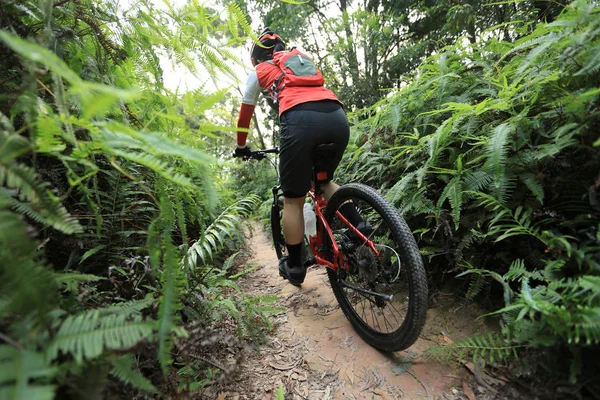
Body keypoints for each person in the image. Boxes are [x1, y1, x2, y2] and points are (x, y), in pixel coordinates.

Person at [234, 28, 368, 286]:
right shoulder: (301, 62)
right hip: (336, 117)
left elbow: (244, 116)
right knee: (324, 181)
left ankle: (295, 266)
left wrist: (241, 147)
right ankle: (360, 225)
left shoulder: (260, 71)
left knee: (293, 199)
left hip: (300, 122)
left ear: (255, 59)